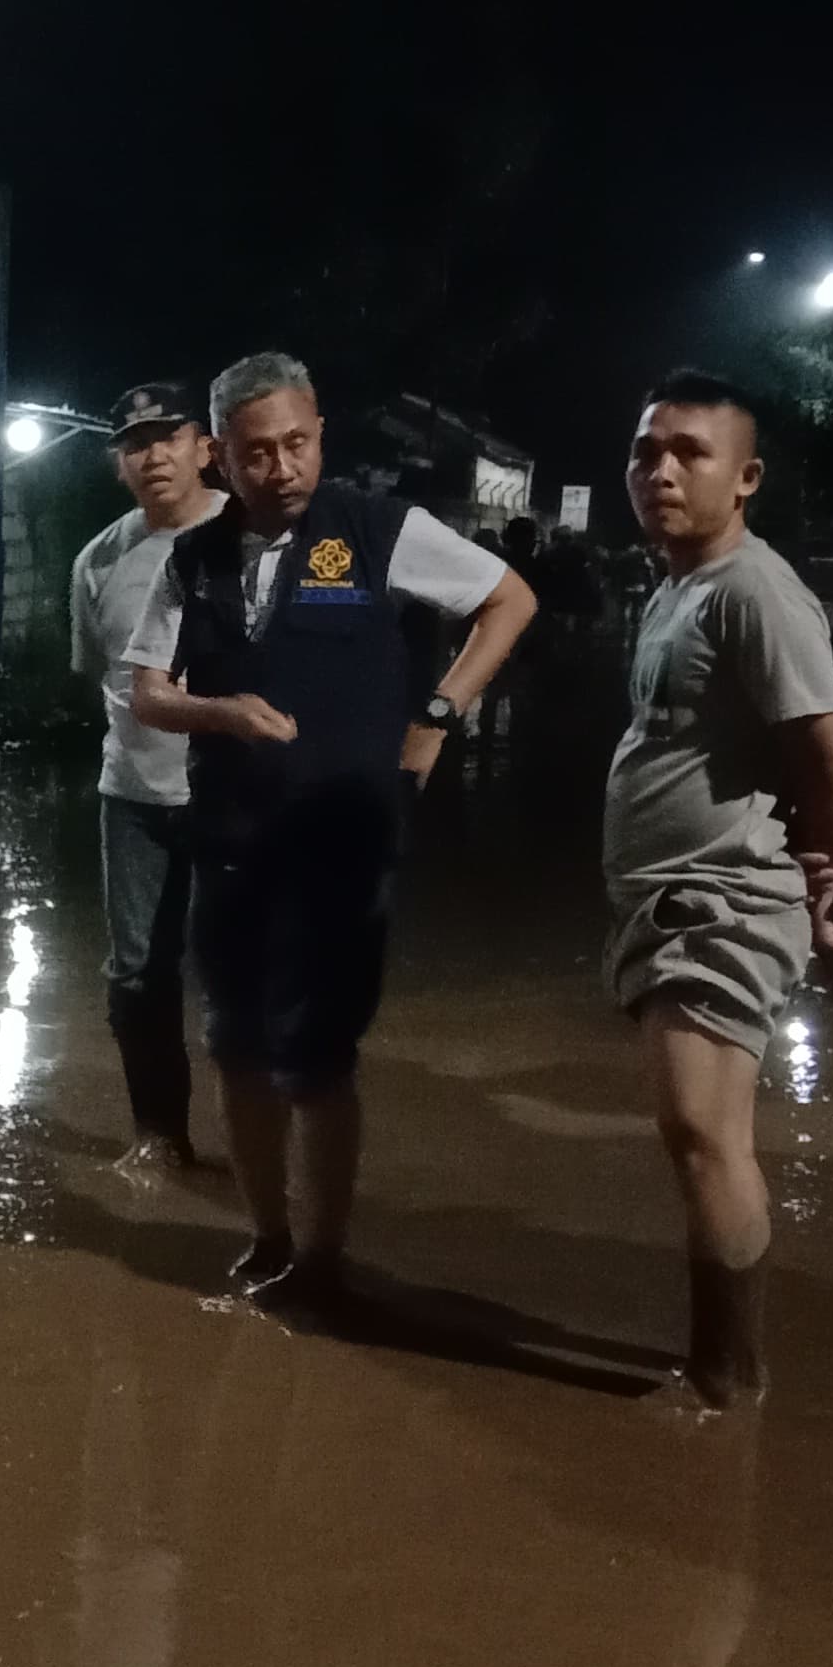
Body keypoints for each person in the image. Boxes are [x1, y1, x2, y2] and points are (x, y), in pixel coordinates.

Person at [127, 352, 539, 1309]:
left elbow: (507, 599)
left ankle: (322, 1258)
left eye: (297, 445)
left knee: (318, 1055)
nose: (281, 468)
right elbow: (148, 693)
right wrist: (223, 714)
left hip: (344, 844)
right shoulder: (193, 561)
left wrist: (437, 715)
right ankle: (267, 1238)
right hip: (232, 839)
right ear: (219, 458)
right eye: (257, 452)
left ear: (320, 435)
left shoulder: (374, 530)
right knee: (233, 1044)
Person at [608, 368, 833, 1406]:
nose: (659, 470)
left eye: (687, 452)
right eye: (644, 451)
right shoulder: (681, 584)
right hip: (673, 898)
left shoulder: (755, 590)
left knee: (702, 1133)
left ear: (744, 475)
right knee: (697, 1134)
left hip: (717, 898)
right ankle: (720, 1368)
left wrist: (819, 891)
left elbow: (830, 758)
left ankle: (726, 1379)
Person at [65, 380, 227, 1173]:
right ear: (117, 463)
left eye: (170, 435)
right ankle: (160, 1134)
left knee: (245, 970)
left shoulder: (255, 538)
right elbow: (96, 675)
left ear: (206, 447)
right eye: (135, 442)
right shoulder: (98, 560)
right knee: (136, 975)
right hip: (131, 798)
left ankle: (272, 1150)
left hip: (238, 795)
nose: (154, 454)